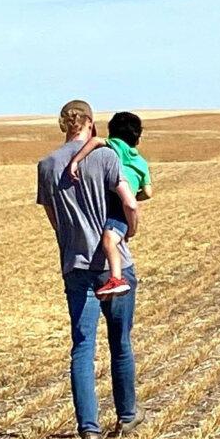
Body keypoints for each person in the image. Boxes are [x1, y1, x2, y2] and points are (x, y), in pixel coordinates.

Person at [36, 99, 146, 439]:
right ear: (91, 123)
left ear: (63, 124)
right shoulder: (107, 157)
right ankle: (127, 415)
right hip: (116, 267)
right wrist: (130, 231)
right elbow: (129, 203)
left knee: (83, 348)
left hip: (76, 268)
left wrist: (71, 244)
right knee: (121, 343)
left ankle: (89, 430)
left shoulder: (47, 165)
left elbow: (54, 220)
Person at [67, 111, 153, 299]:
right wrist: (135, 193)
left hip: (117, 205)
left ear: (112, 132)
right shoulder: (141, 162)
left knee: (109, 240)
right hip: (126, 204)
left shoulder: (115, 146)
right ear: (138, 138)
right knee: (113, 238)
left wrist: (75, 161)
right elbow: (148, 192)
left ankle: (116, 278)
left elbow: (95, 141)